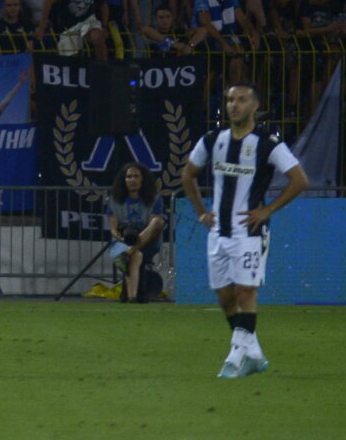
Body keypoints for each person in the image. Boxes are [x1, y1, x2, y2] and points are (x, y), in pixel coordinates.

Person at [187, 83, 308, 378]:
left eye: (241, 100)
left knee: (246, 291)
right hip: (218, 232)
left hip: (249, 232)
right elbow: (188, 174)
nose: (234, 105)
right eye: (230, 100)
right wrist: (201, 211)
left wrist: (268, 210)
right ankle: (254, 354)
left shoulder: (268, 143)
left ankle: (235, 356)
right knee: (225, 297)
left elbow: (299, 180)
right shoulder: (213, 139)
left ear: (255, 106)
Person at [105, 161, 166, 303]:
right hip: (122, 242)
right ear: (124, 180)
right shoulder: (115, 199)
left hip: (147, 240)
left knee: (158, 222)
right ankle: (132, 297)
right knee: (136, 255)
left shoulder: (154, 198)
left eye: (136, 176)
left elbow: (153, 225)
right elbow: (113, 229)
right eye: (129, 177)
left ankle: (128, 253)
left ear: (143, 179)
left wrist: (134, 242)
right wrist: (122, 239)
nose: (132, 180)